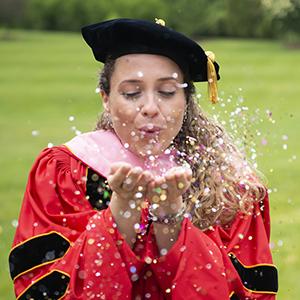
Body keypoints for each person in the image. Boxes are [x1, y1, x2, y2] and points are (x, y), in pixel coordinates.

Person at [9, 18, 278, 299]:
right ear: (106, 98)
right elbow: (41, 289)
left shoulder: (229, 189)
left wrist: (170, 222)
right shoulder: (65, 170)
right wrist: (120, 215)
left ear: (186, 101)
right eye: (131, 93)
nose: (150, 107)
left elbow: (249, 293)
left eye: (167, 92)